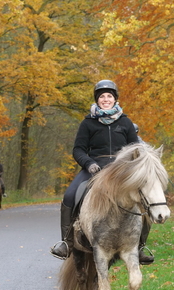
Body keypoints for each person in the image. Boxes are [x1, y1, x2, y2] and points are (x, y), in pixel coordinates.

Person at [50, 80, 154, 265]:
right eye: (102, 97)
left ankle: (140, 246)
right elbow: (78, 149)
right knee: (69, 196)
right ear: (97, 100)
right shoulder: (88, 123)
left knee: (144, 198)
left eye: (109, 96)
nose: (106, 99)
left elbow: (136, 147)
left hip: (121, 171)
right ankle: (66, 242)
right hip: (94, 168)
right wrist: (89, 163)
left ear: (115, 99)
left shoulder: (125, 122)